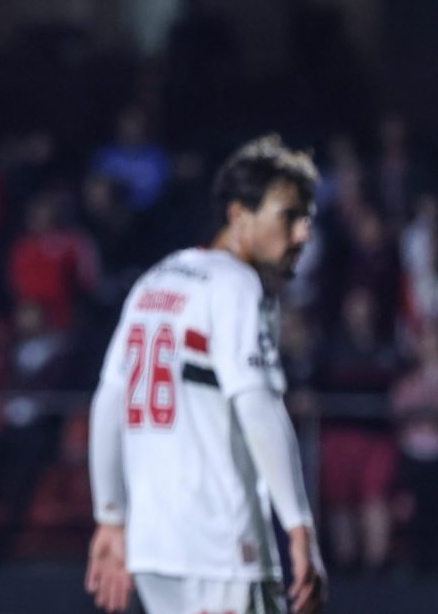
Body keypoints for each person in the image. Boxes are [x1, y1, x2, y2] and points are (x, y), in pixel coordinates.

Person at [86, 136, 325, 614]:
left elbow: (110, 400)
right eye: (288, 216)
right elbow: (258, 405)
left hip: (155, 548)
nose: (301, 235)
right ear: (239, 215)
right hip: (222, 547)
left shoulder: (156, 279)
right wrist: (299, 527)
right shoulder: (238, 285)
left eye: (305, 220)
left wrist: (110, 516)